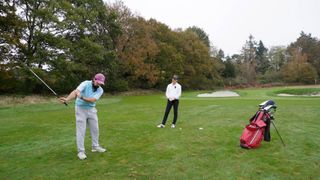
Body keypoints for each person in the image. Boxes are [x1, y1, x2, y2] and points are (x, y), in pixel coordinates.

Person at [59, 73, 106, 160]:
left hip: (92, 109)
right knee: (81, 130)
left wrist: (82, 97)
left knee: (95, 129)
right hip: (80, 109)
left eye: (101, 83)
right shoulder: (85, 83)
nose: (99, 84)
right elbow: (76, 92)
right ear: (94, 79)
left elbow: (93, 100)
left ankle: (95, 146)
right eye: (98, 82)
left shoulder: (100, 90)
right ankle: (81, 151)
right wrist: (67, 99)